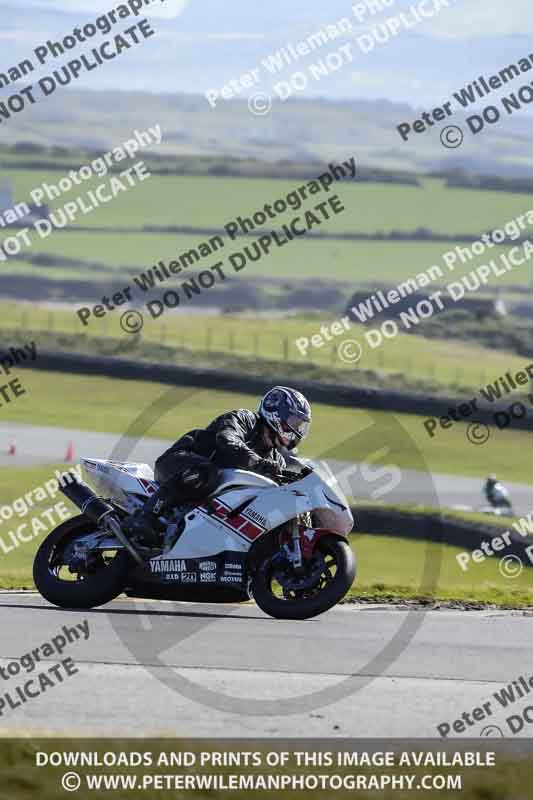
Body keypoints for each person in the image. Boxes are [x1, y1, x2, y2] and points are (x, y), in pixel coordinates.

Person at [125, 386, 312, 545]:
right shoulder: (245, 419)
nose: (297, 430)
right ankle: (145, 516)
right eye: (294, 422)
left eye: (301, 425)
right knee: (208, 472)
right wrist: (258, 463)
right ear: (275, 412)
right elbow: (227, 439)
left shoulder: (276, 458)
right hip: (180, 462)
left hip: (206, 495)